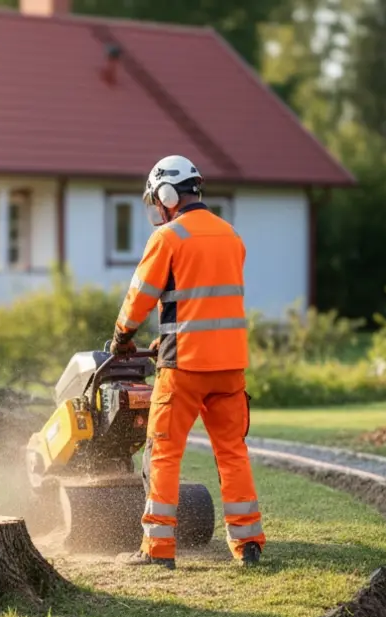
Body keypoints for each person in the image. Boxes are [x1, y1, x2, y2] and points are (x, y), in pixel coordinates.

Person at [108, 155, 265, 570]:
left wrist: (122, 336)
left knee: (163, 452)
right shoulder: (231, 237)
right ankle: (248, 544)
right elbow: (206, 304)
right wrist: (167, 335)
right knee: (232, 452)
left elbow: (141, 296)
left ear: (166, 195)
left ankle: (158, 550)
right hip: (230, 368)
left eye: (156, 200)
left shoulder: (168, 238)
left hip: (185, 369)